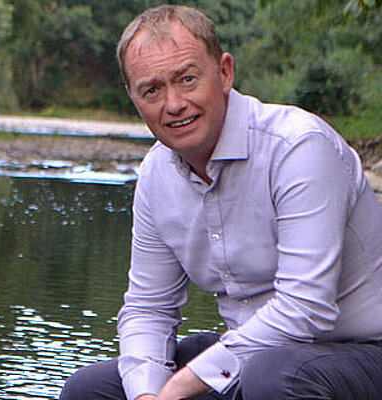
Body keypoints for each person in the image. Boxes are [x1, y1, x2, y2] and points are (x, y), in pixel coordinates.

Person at [59, 4, 382, 400]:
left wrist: (177, 387)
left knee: (273, 376)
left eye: (187, 79)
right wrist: (147, 394)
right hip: (250, 353)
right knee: (91, 390)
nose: (174, 104)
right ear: (133, 97)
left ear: (225, 72)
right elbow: (149, 309)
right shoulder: (156, 175)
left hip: (362, 352)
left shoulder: (298, 147)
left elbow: (305, 307)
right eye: (152, 90)